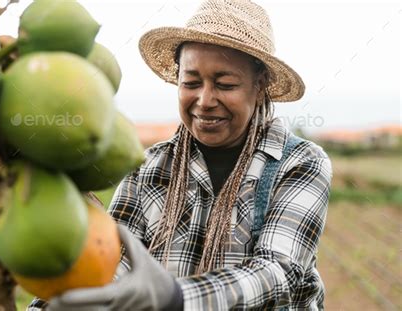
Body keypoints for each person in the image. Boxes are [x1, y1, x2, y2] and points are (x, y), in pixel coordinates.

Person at [28, 0, 332, 310]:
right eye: (191, 82)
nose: (205, 100)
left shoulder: (300, 162)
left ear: (260, 85)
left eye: (225, 84)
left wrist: (175, 297)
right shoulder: (148, 170)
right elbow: (112, 262)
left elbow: (279, 272)